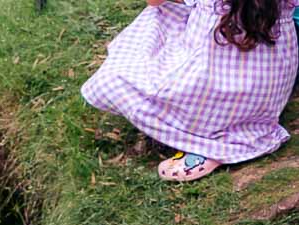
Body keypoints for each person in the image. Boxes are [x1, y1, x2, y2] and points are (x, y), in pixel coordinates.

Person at [82, 0, 299, 182]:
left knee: (156, 15)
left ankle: (205, 140)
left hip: (212, 80)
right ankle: (226, 133)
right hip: (268, 91)